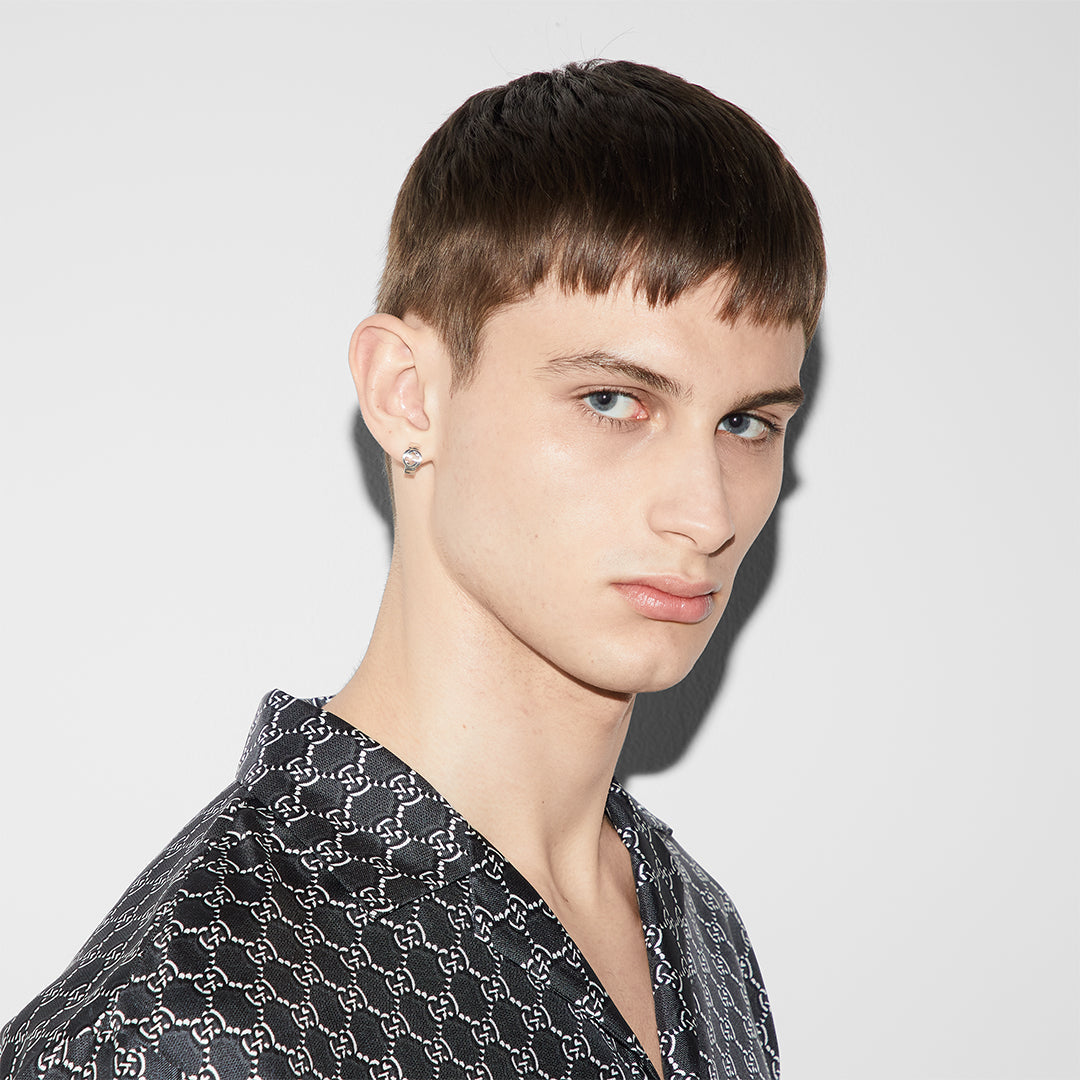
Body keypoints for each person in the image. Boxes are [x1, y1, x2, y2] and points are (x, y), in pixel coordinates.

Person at [0, 59, 824, 1080]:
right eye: (612, 401)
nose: (706, 513)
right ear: (407, 395)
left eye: (746, 423)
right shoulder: (181, 1027)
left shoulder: (695, 925)